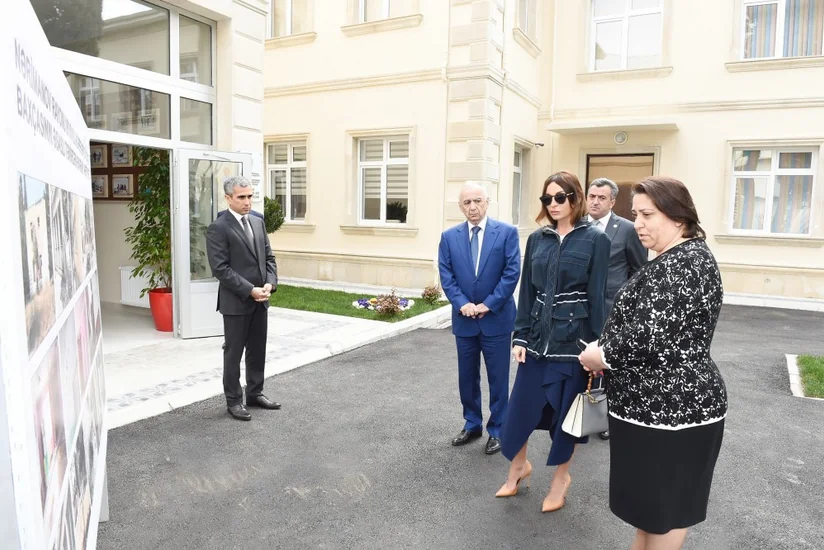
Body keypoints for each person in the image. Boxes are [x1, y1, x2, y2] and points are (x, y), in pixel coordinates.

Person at [579, 177, 727, 550]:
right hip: (650, 411)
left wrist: (601, 355)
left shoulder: (687, 261)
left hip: (675, 412)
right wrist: (605, 346)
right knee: (648, 516)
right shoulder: (674, 257)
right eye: (635, 215)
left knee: (664, 516)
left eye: (647, 215)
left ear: (678, 217)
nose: (638, 224)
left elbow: (650, 335)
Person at [496, 171, 610, 512]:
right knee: (519, 412)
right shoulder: (537, 238)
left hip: (572, 345)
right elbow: (527, 293)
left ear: (575, 198)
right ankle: (518, 468)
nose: (553, 204)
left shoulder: (595, 239)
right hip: (536, 341)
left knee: (566, 418)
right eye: (547, 198)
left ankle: (561, 479)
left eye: (560, 197)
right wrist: (520, 335)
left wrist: (596, 347)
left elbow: (597, 296)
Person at [437, 182, 521, 455]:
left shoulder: (506, 233)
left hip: (496, 319)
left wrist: (488, 304)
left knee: (498, 379)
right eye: (467, 203)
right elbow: (446, 275)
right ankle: (472, 424)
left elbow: (511, 273)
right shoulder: (449, 237)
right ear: (460, 207)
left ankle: (498, 430)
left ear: (487, 202)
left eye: (477, 201)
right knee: (467, 377)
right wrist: (462, 304)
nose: (472, 207)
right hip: (465, 321)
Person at [206, 176, 281, 421]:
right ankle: (234, 401)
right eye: (241, 197)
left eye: (250, 196)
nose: (247, 201)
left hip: (261, 300)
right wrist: (250, 290)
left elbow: (269, 258)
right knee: (234, 353)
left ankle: (255, 393)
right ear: (228, 198)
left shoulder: (258, 221)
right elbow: (220, 269)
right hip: (236, 302)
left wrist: (270, 283)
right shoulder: (219, 227)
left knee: (257, 350)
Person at [586, 177, 647, 440]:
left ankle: (606, 418)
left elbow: (638, 272)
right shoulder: (577, 226)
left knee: (608, 365)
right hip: (580, 309)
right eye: (591, 196)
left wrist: (627, 306)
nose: (595, 202)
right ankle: (580, 413)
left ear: (612, 202)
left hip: (611, 309)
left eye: (602, 198)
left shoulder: (627, 229)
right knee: (582, 362)